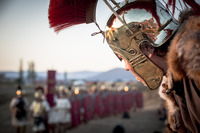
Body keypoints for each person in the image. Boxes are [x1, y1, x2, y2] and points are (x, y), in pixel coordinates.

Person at [48, 0, 200, 132]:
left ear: (147, 47)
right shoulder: (177, 83)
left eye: (123, 57)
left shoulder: (195, 76)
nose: (126, 67)